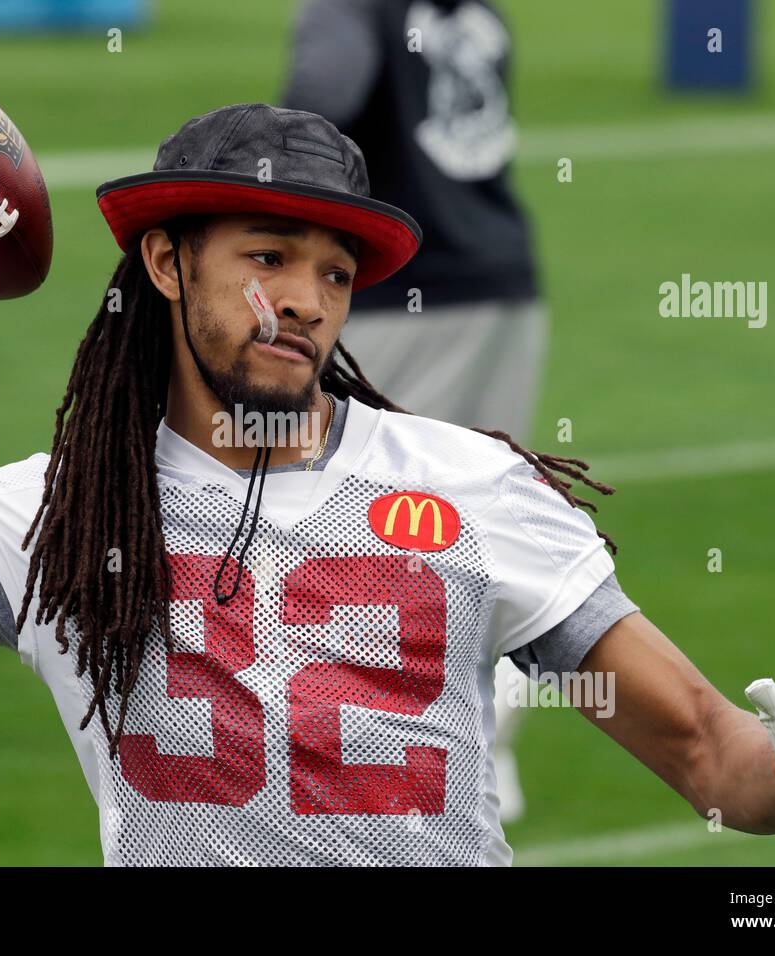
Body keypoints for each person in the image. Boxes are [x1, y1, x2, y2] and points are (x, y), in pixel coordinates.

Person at [0, 105, 775, 866]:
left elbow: (714, 765)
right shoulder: (58, 515)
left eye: (334, 271)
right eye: (268, 256)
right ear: (168, 263)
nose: (303, 297)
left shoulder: (473, 486)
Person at [283, 0, 547, 820]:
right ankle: (484, 751)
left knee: (352, 522)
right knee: (481, 522)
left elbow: (321, 93)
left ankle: (371, 746)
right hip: (504, 278)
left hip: (402, 293)